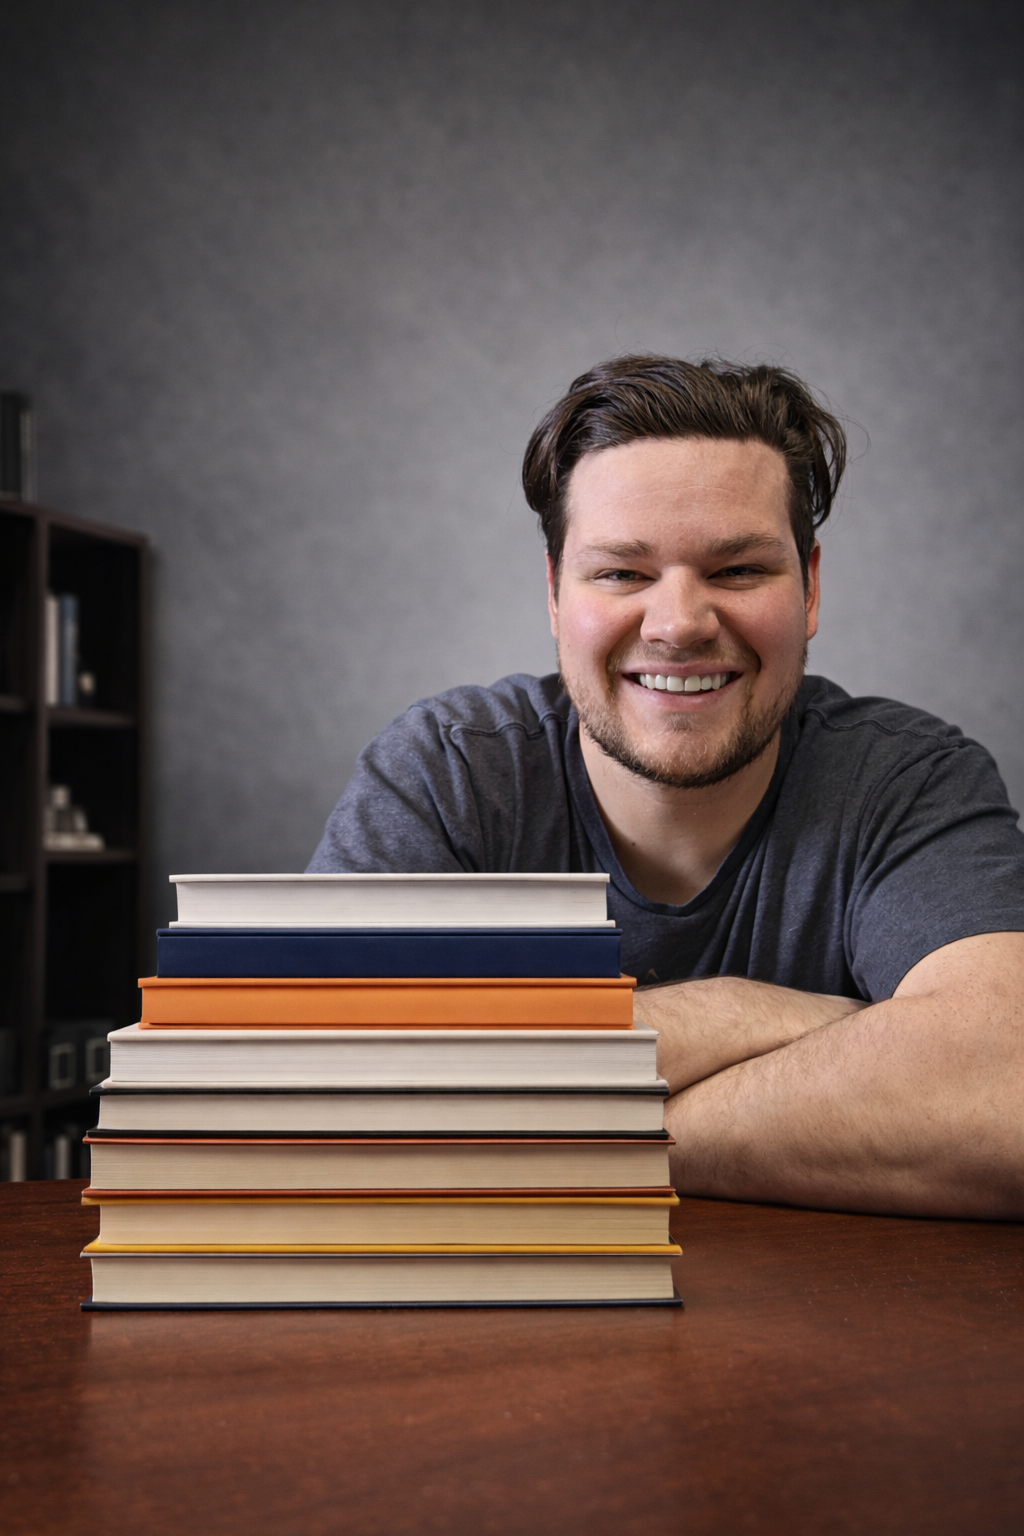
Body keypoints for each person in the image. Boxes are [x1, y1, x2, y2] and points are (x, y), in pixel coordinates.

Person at [309, 355, 1024, 1219]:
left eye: (737, 571)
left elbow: (1004, 1086)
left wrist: (560, 1126)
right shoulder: (452, 773)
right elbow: (317, 1088)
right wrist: (747, 1015)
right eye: (621, 573)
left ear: (810, 589)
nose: (680, 624)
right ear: (553, 594)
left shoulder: (908, 779)